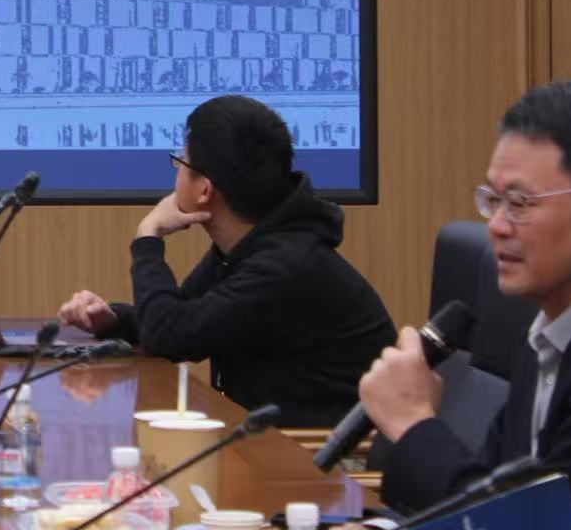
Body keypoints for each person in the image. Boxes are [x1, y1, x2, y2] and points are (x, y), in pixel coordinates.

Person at [361, 79, 571, 527]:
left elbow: (529, 525)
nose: (496, 226)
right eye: (493, 201)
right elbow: (497, 490)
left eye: (519, 202)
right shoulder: (548, 334)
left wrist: (412, 424)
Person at [57, 93, 395, 426]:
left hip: (326, 449)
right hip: (276, 438)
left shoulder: (283, 267)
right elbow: (184, 318)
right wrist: (113, 321)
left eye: (181, 162)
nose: (176, 172)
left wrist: (149, 236)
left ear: (204, 189)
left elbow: (170, 337)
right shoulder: (256, 245)